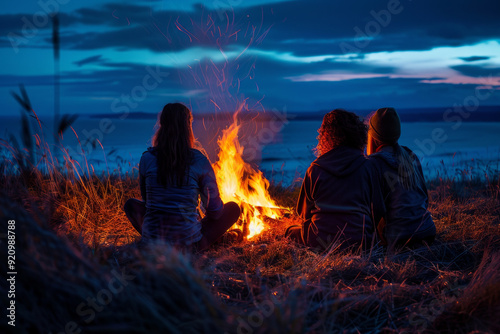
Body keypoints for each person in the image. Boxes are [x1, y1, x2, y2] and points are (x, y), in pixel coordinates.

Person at [123, 103, 240, 251]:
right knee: (233, 209)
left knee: (131, 205)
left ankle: (159, 242)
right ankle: (201, 244)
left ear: (161, 126)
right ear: (188, 126)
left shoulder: (147, 158)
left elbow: (147, 201)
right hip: (190, 245)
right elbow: (215, 212)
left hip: (153, 243)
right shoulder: (199, 160)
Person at [285, 109, 384, 251]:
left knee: (290, 231)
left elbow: (303, 214)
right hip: (360, 243)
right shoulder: (369, 167)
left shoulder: (315, 169)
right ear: (358, 135)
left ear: (326, 136)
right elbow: (378, 210)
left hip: (319, 243)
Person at [367, 107, 436, 249]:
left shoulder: (373, 163)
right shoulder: (411, 156)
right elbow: (424, 197)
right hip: (427, 230)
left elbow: (374, 211)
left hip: (398, 238)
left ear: (373, 134)